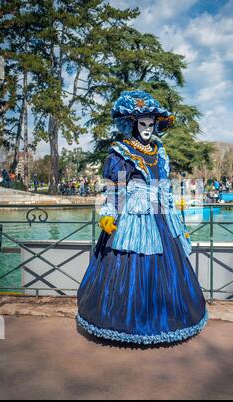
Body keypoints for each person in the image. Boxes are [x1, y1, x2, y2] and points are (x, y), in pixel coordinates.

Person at [77, 91, 207, 345]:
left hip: (160, 216)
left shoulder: (160, 152)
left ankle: (164, 321)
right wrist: (108, 214)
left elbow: (165, 188)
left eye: (151, 124)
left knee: (167, 271)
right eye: (142, 124)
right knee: (128, 265)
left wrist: (177, 224)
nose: (147, 129)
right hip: (132, 217)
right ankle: (126, 325)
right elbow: (115, 187)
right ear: (133, 124)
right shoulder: (121, 152)